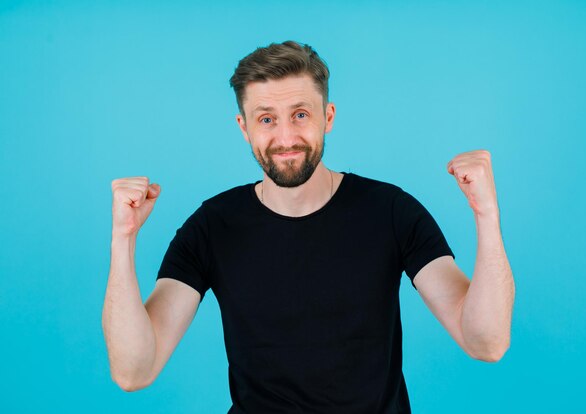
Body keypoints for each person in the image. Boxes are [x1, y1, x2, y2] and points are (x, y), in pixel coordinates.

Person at [102, 40, 515, 413]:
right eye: (266, 119)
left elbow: (486, 342)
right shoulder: (212, 226)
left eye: (300, 114)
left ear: (327, 116)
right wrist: (123, 241)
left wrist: (487, 215)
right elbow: (134, 372)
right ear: (244, 128)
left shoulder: (391, 211)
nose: (286, 137)